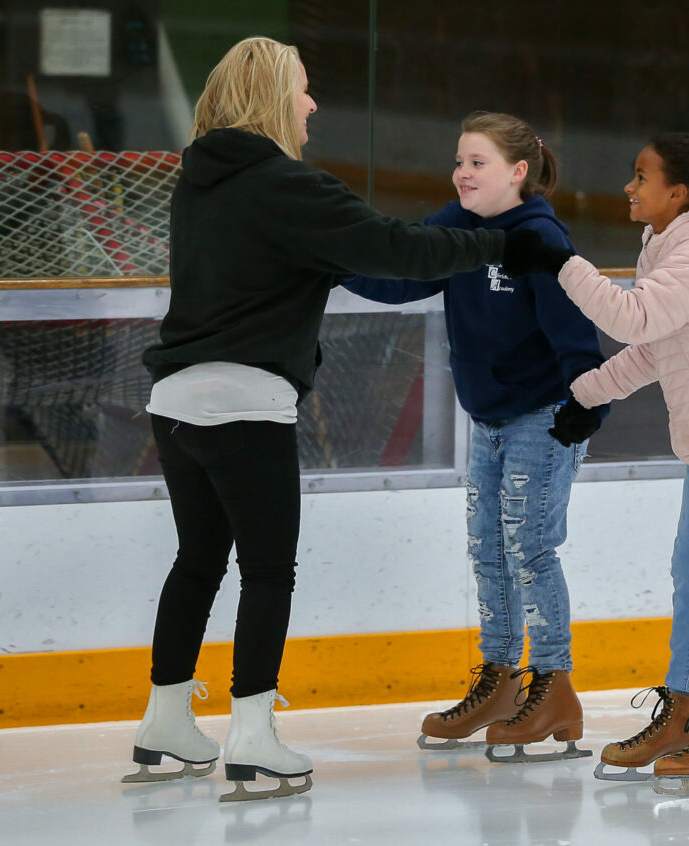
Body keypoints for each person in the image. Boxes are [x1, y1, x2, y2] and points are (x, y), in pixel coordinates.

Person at [126, 37, 546, 801]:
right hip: (244, 405)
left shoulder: (199, 183)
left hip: (176, 404)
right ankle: (252, 737)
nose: (313, 104)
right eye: (304, 89)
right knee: (268, 571)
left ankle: (164, 721)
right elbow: (397, 250)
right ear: (269, 98)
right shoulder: (287, 186)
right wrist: (504, 244)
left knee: (197, 561)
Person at [507, 132, 689, 789]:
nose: (629, 187)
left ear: (679, 193)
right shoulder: (663, 244)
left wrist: (561, 258)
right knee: (687, 565)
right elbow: (653, 350)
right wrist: (585, 397)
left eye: (642, 177)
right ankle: (677, 709)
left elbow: (633, 320)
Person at [344, 111, 607, 763]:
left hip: (545, 418)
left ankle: (553, 684)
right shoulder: (455, 228)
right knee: (488, 550)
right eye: (459, 161)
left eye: (477, 162)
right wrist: (331, 263)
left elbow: (577, 340)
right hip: (488, 418)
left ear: (518, 171)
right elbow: (401, 277)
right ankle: (500, 681)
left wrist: (582, 412)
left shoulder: (539, 240)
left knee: (530, 547)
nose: (462, 173)